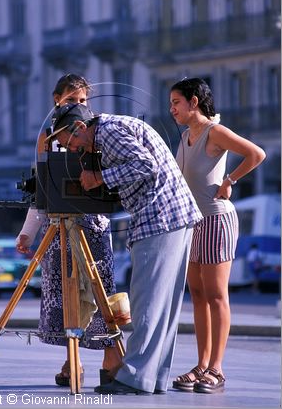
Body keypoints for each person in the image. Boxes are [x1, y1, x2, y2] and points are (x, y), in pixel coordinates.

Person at [48, 102, 203, 395]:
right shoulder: (114, 127)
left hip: (159, 218)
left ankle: (134, 377)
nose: (73, 150)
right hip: (174, 217)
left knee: (147, 303)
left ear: (80, 128)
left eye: (71, 143)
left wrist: (100, 178)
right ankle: (151, 377)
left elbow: (147, 165)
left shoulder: (107, 132)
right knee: (163, 307)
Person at [16, 74, 122, 387]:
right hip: (58, 224)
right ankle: (71, 359)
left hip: (93, 222)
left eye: (83, 101)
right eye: (71, 100)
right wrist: (28, 232)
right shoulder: (47, 137)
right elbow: (42, 190)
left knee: (99, 287)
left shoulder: (98, 133)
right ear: (56, 100)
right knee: (63, 294)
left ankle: (111, 357)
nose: (78, 106)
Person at [169, 78, 266, 394]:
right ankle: (201, 365)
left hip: (217, 221)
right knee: (197, 295)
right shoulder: (185, 137)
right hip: (192, 223)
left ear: (193, 102)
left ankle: (217, 369)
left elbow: (256, 154)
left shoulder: (215, 131)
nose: (172, 109)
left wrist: (230, 181)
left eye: (176, 103)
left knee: (216, 294)